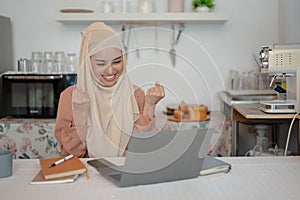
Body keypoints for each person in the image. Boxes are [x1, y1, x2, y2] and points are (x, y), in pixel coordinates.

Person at [54, 22, 168, 158]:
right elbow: (70, 156)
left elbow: (141, 150)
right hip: (87, 176)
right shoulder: (70, 97)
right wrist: (80, 115)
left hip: (125, 174)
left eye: (117, 62)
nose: (110, 70)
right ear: (87, 63)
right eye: (101, 63)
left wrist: (150, 105)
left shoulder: (136, 95)